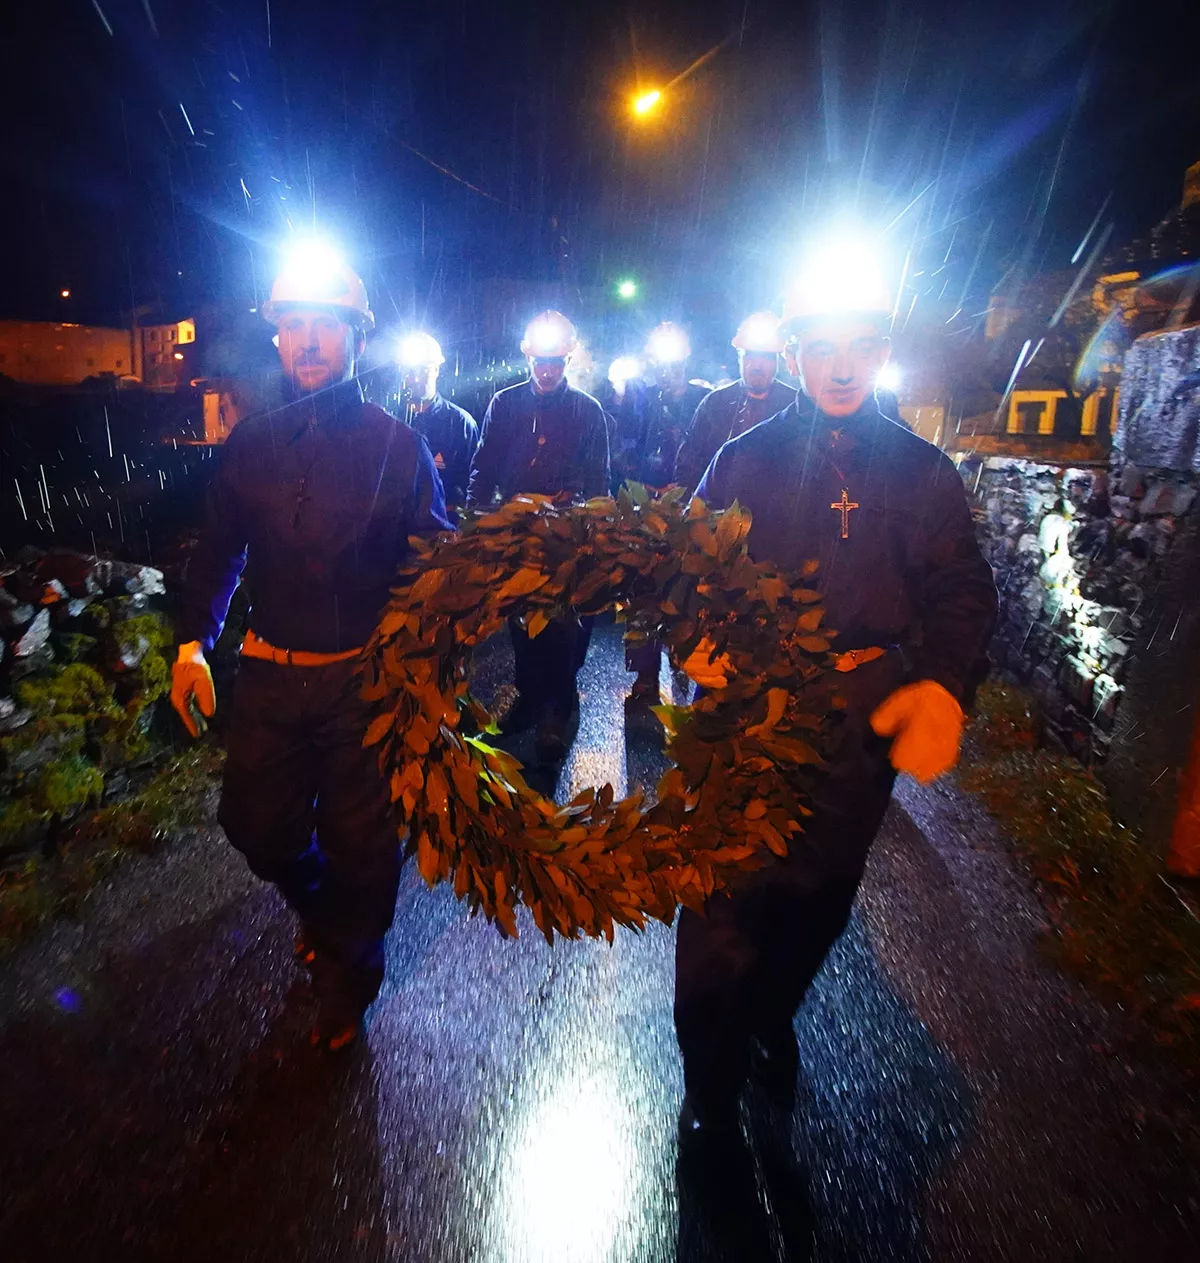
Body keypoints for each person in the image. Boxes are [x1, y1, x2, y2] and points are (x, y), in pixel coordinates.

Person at [674, 260, 998, 1134]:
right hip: (748, 713)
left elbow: (964, 590)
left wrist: (940, 683)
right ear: (796, 353)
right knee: (720, 900)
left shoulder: (924, 474)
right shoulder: (741, 459)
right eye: (823, 347)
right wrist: (693, 634)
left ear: (883, 351)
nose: (843, 366)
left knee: (816, 898)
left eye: (861, 346)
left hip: (857, 718)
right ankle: (709, 1079)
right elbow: (688, 568)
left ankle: (773, 1009)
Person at [169, 242, 452, 1051]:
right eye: (294, 326)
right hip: (268, 674)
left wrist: (432, 662)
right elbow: (219, 549)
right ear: (278, 339)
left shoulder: (399, 447)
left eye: (325, 325)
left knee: (365, 848)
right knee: (255, 825)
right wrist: (193, 643)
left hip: (363, 685)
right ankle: (324, 910)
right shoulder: (251, 444)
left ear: (356, 337)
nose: (309, 342)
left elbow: (436, 562)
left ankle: (345, 983)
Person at [467, 310, 610, 763]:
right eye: (540, 361)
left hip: (565, 534)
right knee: (521, 619)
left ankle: (557, 707)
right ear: (528, 359)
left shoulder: (588, 411)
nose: (547, 370)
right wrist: (476, 518)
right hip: (516, 529)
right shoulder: (505, 405)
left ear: (568, 360)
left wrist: (589, 532)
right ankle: (527, 695)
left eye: (556, 361)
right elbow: (484, 463)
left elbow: (599, 481)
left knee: (564, 623)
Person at [623, 323, 711, 701]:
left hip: (690, 511)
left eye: (673, 364)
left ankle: (684, 658)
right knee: (642, 594)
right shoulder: (639, 403)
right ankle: (645, 677)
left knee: (688, 590)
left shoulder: (704, 403)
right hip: (647, 510)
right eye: (660, 363)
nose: (666, 371)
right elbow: (624, 451)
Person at [674, 312, 797, 494]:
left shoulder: (794, 405)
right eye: (750, 356)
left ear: (779, 361)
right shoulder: (715, 403)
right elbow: (689, 464)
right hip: (719, 513)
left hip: (776, 515)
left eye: (767, 357)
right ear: (739, 357)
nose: (757, 366)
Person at [397, 331, 479, 508]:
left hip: (444, 527)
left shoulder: (460, 424)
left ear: (436, 370)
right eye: (411, 371)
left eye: (424, 370)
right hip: (397, 527)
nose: (416, 378)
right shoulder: (390, 421)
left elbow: (474, 485)